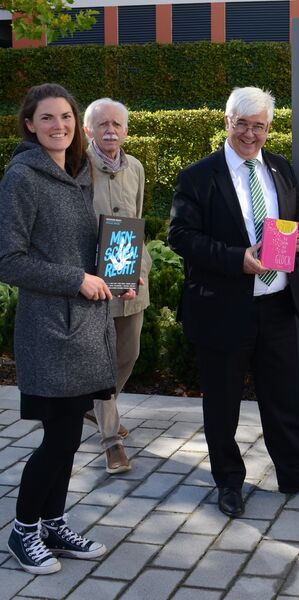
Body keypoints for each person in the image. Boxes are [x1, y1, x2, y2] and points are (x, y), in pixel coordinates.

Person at [168, 86, 299, 518]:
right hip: (224, 307)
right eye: (242, 124)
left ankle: (294, 472)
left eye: (259, 126)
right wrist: (235, 260)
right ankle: (228, 481)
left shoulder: (280, 169)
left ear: (269, 128)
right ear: (227, 122)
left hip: (277, 303)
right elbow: (180, 236)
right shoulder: (198, 176)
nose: (250, 134)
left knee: (282, 396)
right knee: (223, 403)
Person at [0, 83, 114, 574]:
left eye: (66, 117)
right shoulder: (22, 178)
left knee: (68, 436)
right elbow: (10, 260)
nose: (59, 126)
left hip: (84, 329)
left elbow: (79, 248)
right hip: (50, 331)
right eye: (47, 118)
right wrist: (77, 280)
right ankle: (23, 530)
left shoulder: (77, 173)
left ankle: (52, 521)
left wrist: (112, 276)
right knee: (59, 437)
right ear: (30, 124)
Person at [83, 98, 152, 474]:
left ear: (126, 130)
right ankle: (112, 441)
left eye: (118, 124)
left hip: (132, 276)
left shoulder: (136, 168)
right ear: (87, 130)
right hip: (94, 281)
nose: (111, 130)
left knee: (128, 354)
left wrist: (140, 263)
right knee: (102, 361)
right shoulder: (77, 168)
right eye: (102, 124)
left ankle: (94, 406)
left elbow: (137, 216)